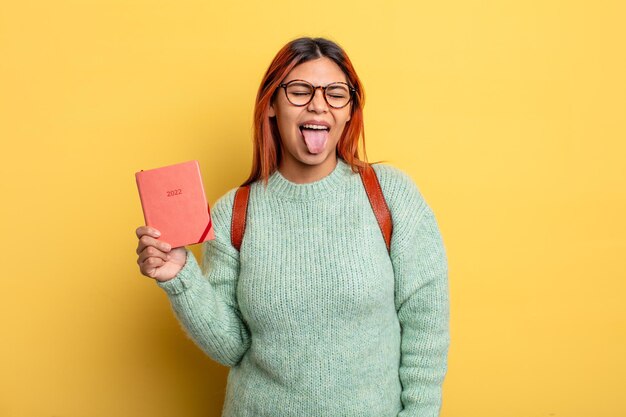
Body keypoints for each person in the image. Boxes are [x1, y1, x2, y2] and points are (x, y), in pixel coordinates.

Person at [135, 37, 450, 417]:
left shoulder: (389, 194)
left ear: (350, 110)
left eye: (336, 93)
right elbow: (230, 347)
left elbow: (426, 323)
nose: (318, 104)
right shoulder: (233, 213)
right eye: (299, 91)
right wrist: (179, 277)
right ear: (271, 103)